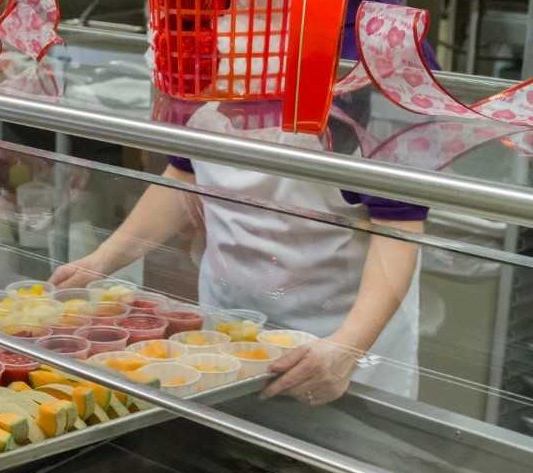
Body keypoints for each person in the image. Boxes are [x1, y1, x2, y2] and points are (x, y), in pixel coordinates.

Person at [52, 0, 434, 406]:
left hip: (340, 342)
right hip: (227, 331)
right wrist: (101, 261)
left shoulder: (378, 41)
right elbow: (186, 173)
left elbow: (398, 223)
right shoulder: (196, 25)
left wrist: (347, 348)